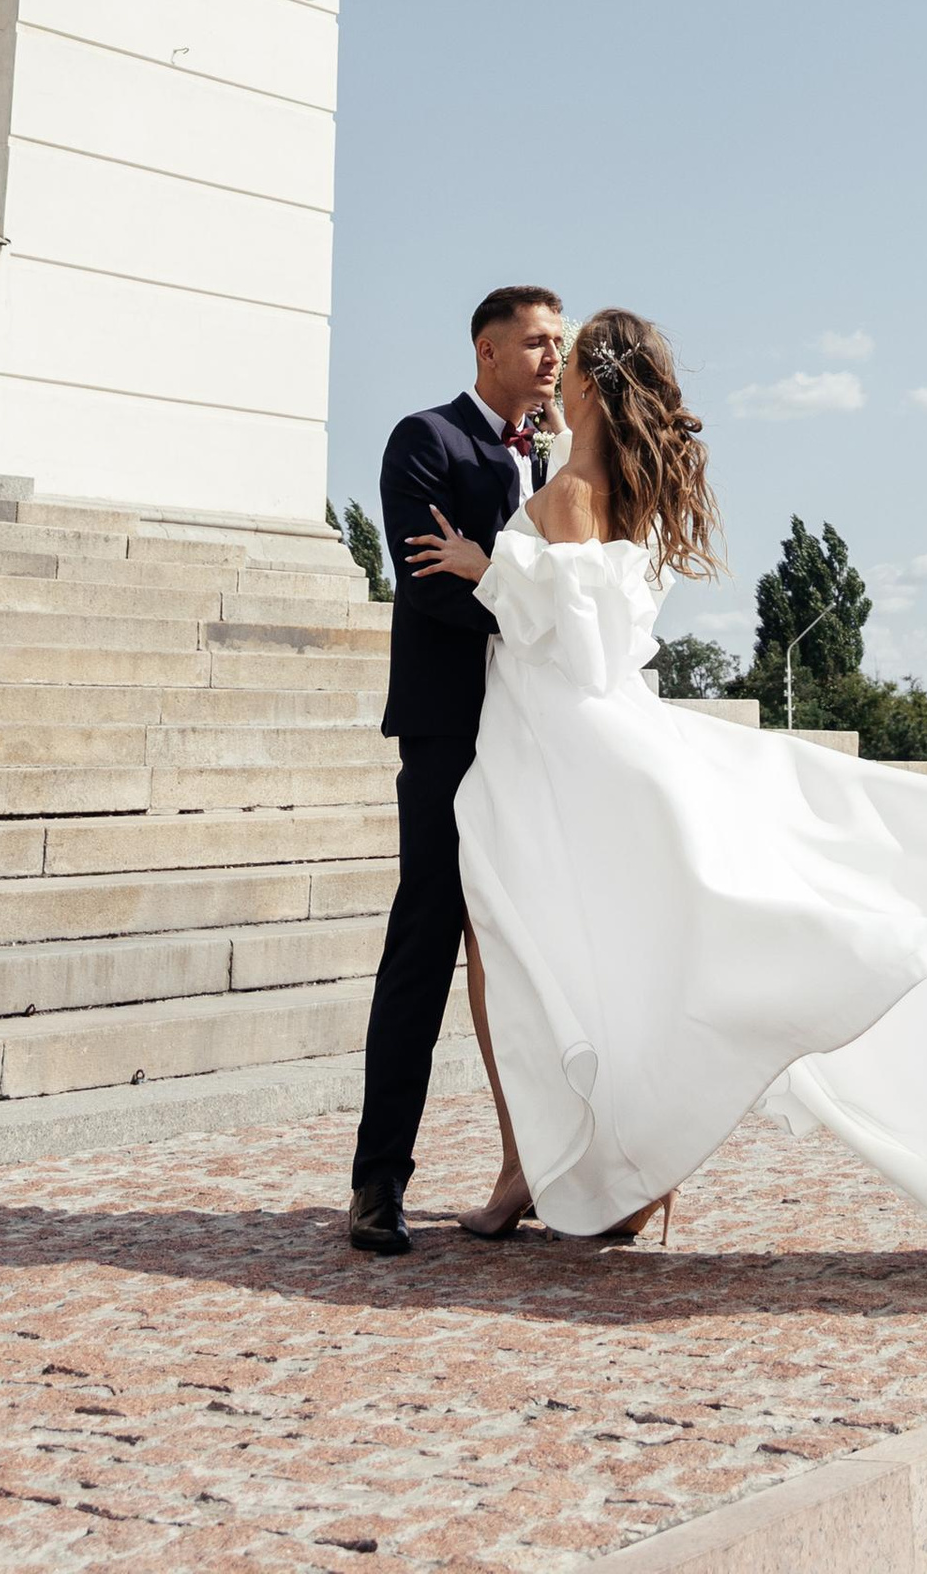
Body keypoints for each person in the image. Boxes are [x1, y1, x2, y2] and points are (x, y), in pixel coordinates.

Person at [404, 302, 927, 1303]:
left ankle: (568, 1171)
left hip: (566, 751)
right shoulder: (598, 488)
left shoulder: (580, 490)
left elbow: (584, 651)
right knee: (582, 960)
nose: (555, 370)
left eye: (567, 357)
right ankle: (599, 1169)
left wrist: (490, 566)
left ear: (589, 383)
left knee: (562, 956)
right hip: (553, 745)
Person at [348, 285, 566, 1257]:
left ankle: (540, 1167)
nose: (553, 357)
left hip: (535, 735)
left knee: (529, 954)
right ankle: (377, 1184)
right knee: (424, 947)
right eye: (535, 342)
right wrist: (532, 615)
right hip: (449, 734)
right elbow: (432, 583)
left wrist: (531, 604)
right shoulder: (425, 440)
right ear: (487, 351)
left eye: (559, 341)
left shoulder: (551, 458)